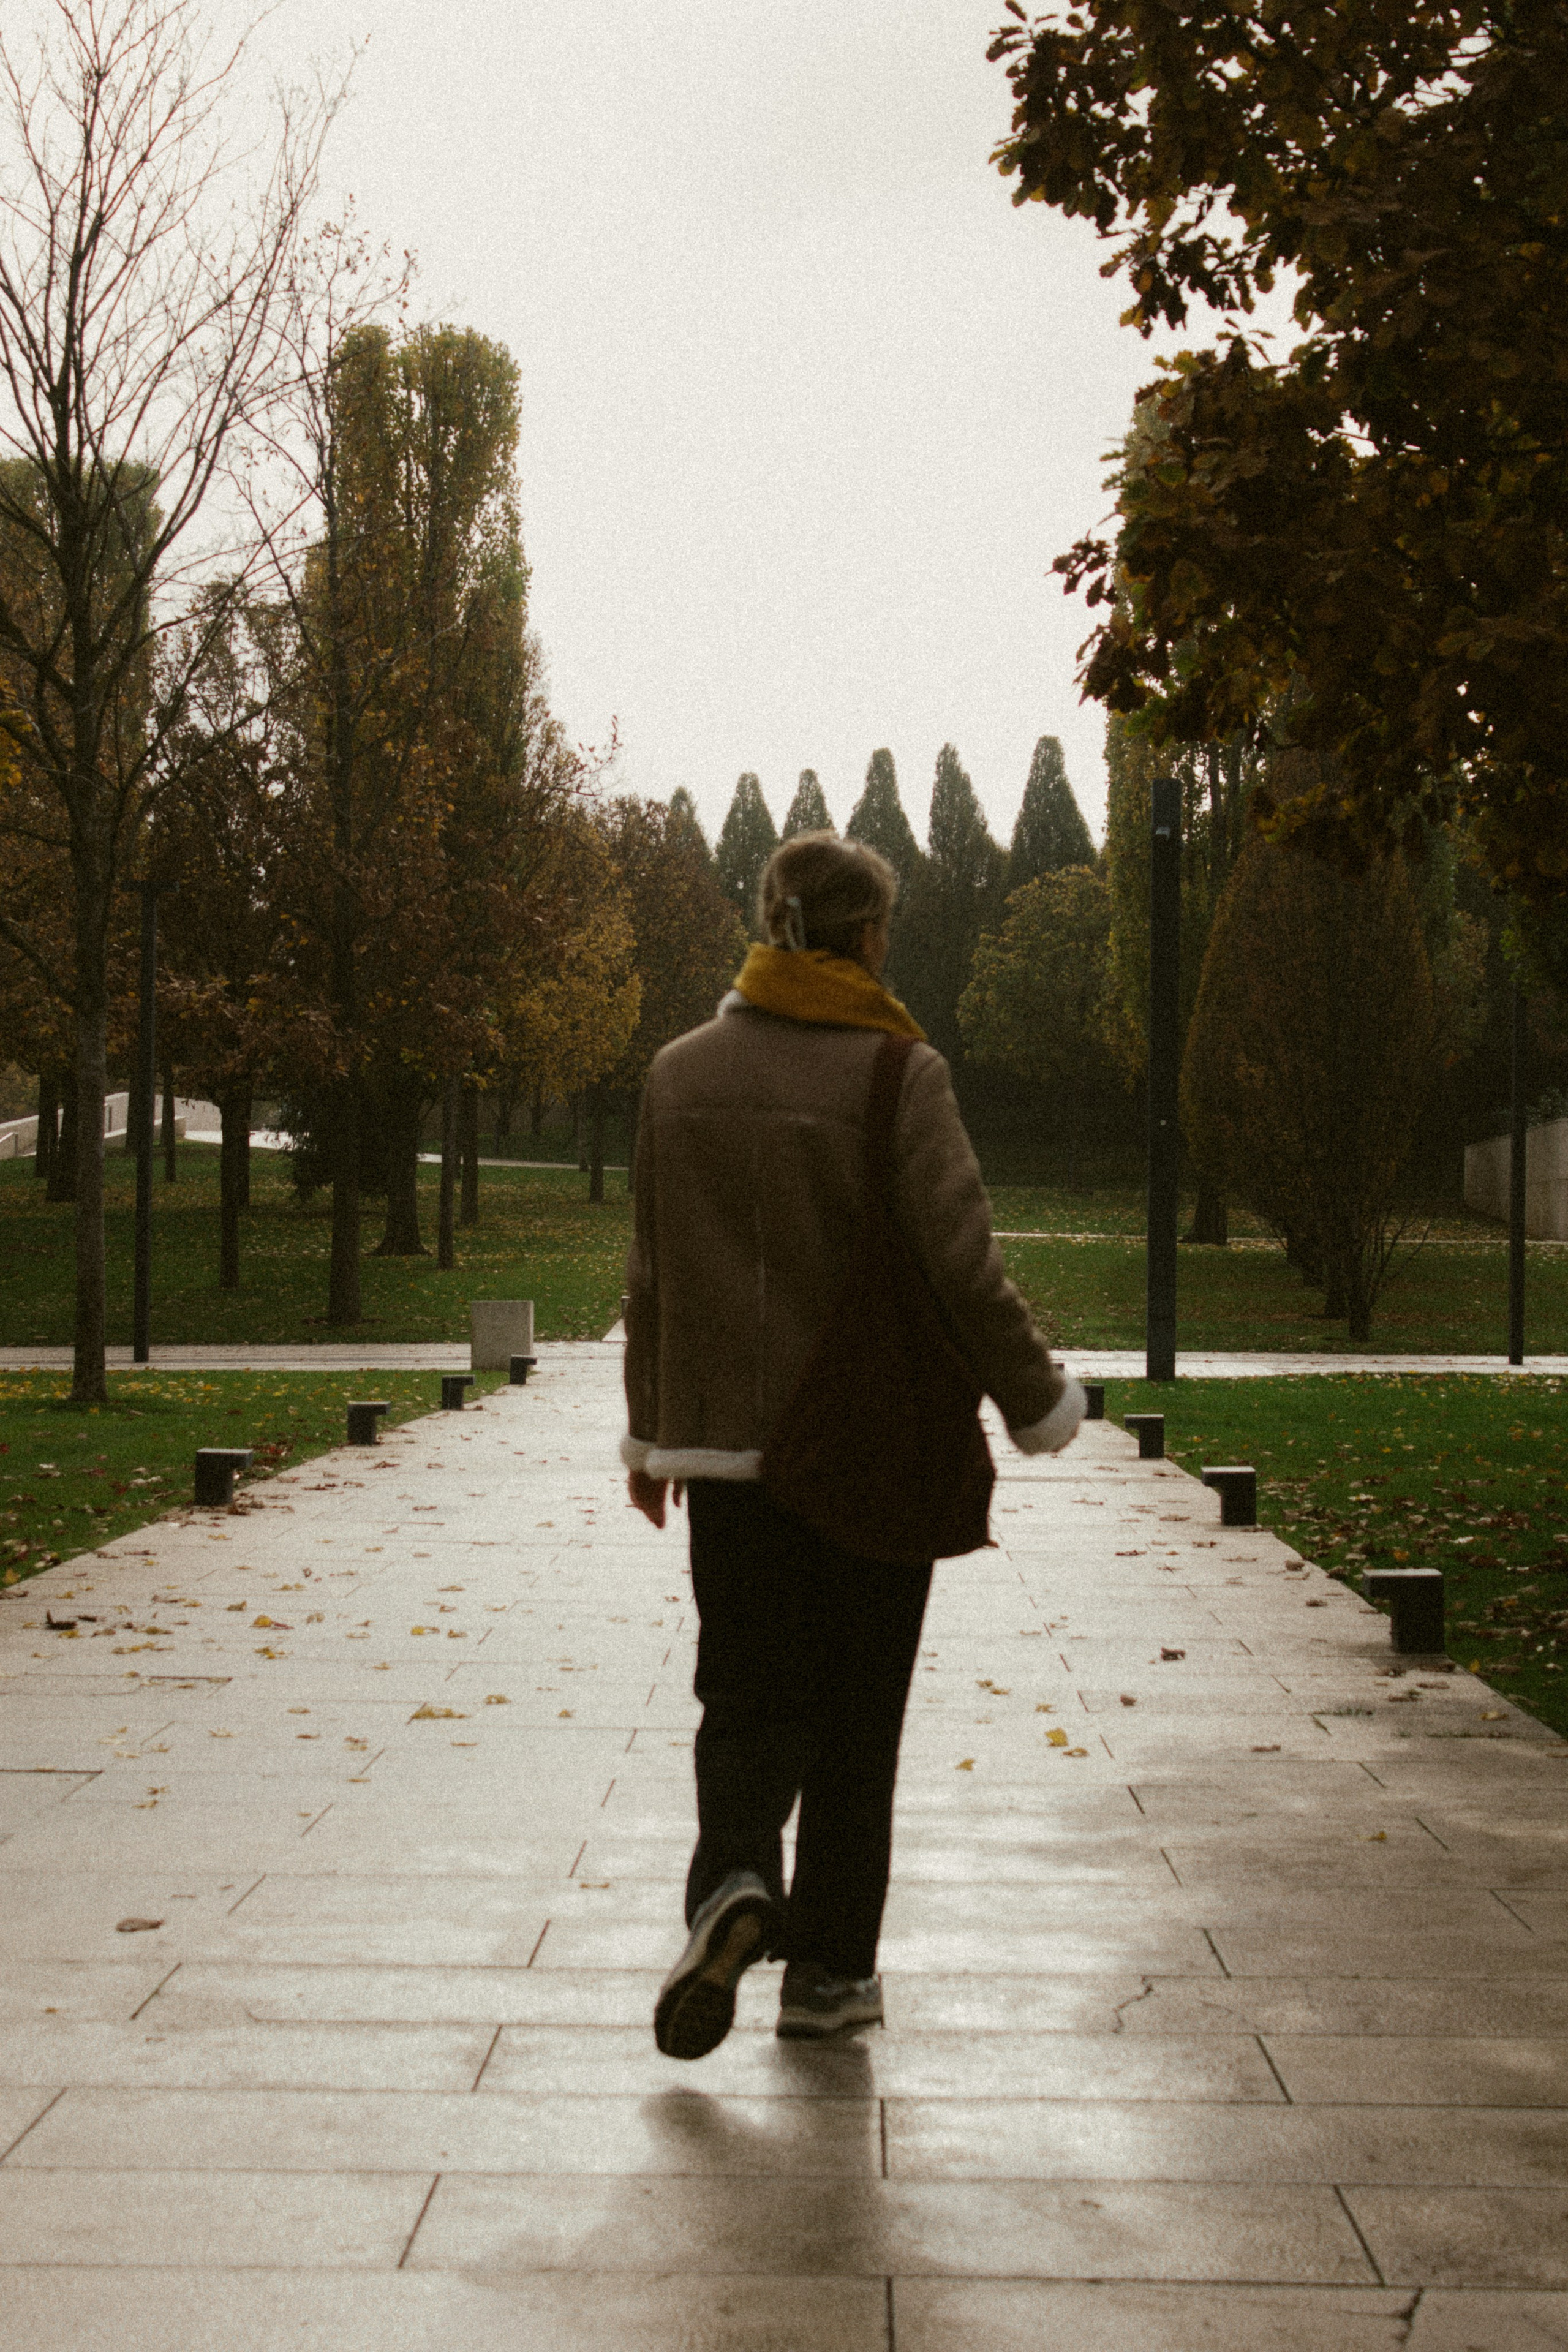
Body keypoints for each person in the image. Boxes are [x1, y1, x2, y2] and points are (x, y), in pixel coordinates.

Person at [622, 829, 1084, 2060]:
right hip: (870, 1444)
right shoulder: (897, 1073)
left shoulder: (676, 1074)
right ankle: (826, 1975)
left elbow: (651, 1272)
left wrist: (649, 1430)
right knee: (856, 1717)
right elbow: (962, 1269)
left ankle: (729, 1879)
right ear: (868, 934)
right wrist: (1037, 1404)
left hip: (726, 1452)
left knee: (740, 1688)